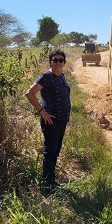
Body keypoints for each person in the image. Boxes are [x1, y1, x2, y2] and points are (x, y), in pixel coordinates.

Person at [25, 49, 71, 193]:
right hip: (51, 121)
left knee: (55, 150)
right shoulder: (46, 76)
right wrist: (42, 111)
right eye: (55, 60)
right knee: (50, 151)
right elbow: (29, 93)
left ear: (64, 63)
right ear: (50, 61)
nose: (57, 62)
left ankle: (51, 180)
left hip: (62, 120)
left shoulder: (61, 75)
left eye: (60, 60)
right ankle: (46, 185)